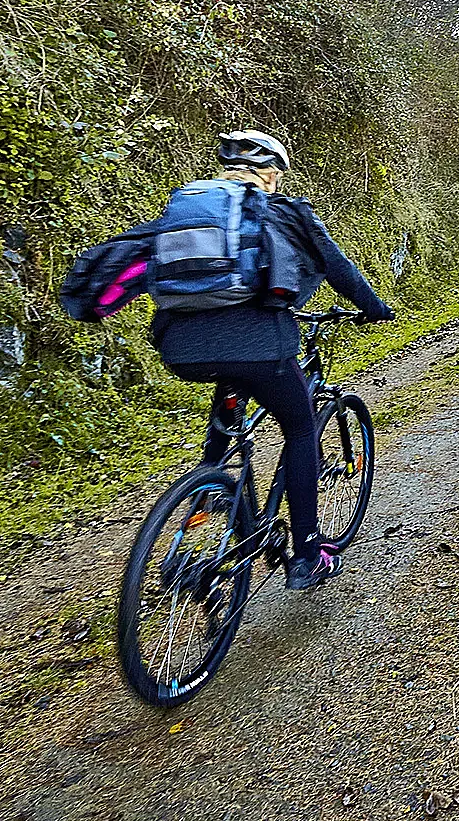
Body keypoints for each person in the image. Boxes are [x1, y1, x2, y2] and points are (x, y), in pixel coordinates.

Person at [153, 129, 395, 591]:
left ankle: (207, 495)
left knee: (230, 394)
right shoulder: (285, 212)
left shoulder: (187, 213)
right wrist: (375, 308)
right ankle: (307, 553)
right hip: (261, 343)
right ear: (272, 172)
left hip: (181, 346)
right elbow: (339, 268)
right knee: (302, 427)